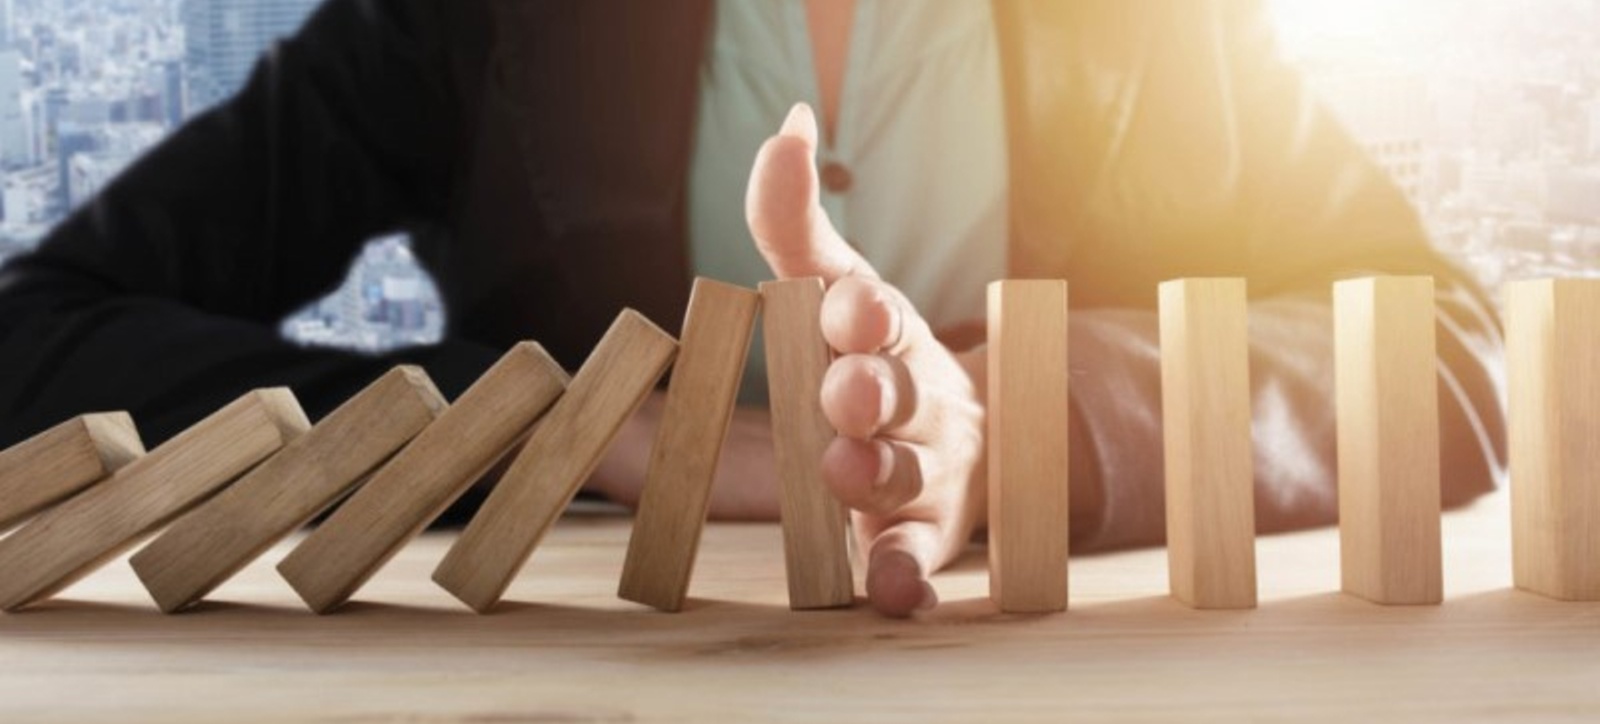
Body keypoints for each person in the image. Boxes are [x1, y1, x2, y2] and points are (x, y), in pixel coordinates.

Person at [0, 0, 1504, 617]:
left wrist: (1011, 426)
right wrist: (589, 433)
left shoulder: (1159, 32)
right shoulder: (479, 19)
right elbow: (36, 330)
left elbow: (1442, 341)